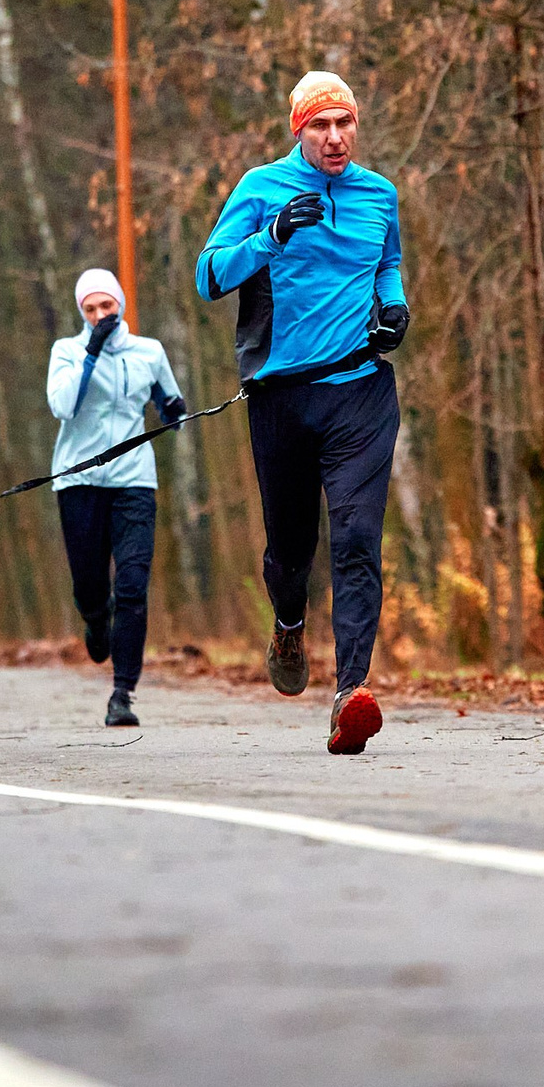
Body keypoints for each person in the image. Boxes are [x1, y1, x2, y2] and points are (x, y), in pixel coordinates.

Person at [196, 71, 410, 755]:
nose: (336, 136)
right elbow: (208, 276)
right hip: (282, 395)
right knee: (292, 551)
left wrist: (394, 303)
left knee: (355, 538)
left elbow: (388, 261)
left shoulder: (379, 194)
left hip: (361, 391)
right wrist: (270, 239)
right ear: (299, 130)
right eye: (321, 125)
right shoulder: (260, 189)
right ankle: (290, 621)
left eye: (345, 122)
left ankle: (351, 692)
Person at [47, 267, 186, 728]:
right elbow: (63, 406)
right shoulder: (66, 351)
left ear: (120, 304)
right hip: (79, 482)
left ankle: (123, 692)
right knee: (90, 585)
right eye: (90, 309)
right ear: (81, 313)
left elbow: (172, 406)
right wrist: (91, 352)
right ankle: (93, 616)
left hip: (134, 482)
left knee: (132, 586)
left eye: (107, 305)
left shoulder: (149, 352)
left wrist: (174, 411)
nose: (100, 314)